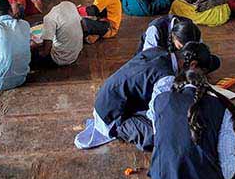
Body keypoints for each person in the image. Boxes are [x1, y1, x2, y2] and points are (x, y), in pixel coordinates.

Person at [74, 42, 219, 151]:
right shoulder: (165, 78)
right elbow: (157, 116)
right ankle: (120, 130)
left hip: (107, 101)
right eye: (201, 72)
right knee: (163, 136)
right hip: (112, 117)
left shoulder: (158, 51)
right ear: (193, 65)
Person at [27, 0, 83, 67]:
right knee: (40, 24)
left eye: (34, 3)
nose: (35, 6)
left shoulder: (49, 18)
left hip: (61, 59)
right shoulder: (69, 4)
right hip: (75, 53)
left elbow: (45, 52)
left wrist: (34, 47)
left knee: (27, 56)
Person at [137, 15, 201, 53]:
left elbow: (200, 48)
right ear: (174, 37)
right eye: (180, 47)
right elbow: (149, 58)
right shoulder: (156, 29)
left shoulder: (191, 28)